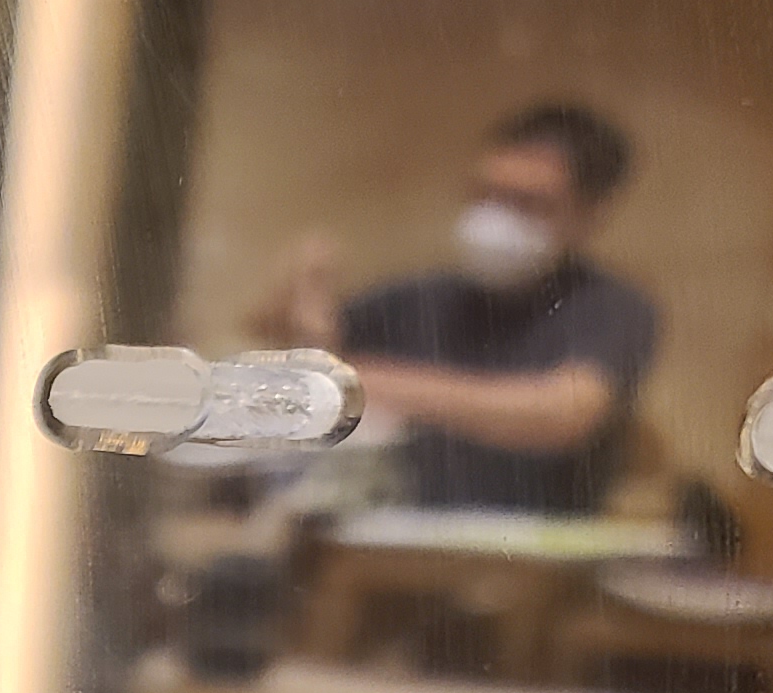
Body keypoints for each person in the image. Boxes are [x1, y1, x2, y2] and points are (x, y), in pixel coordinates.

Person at [257, 100, 660, 515]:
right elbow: (305, 358)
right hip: (394, 531)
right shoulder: (418, 295)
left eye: (527, 203)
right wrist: (300, 294)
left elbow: (564, 413)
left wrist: (365, 382)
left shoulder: (609, 305)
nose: (496, 217)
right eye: (486, 194)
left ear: (589, 216)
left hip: (533, 540)